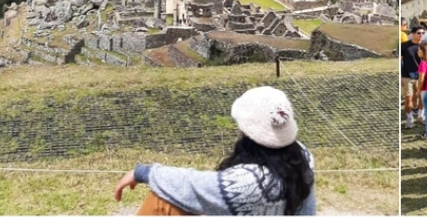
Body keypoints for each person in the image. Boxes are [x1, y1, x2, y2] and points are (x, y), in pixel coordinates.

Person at [114, 86, 315, 215]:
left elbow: (192, 185)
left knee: (161, 201)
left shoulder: (248, 182)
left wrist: (142, 172)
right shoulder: (302, 156)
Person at [400, 26, 424, 128]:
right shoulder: (404, 46)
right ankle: (410, 119)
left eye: (423, 33)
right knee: (408, 98)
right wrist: (400, 76)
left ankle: (420, 116)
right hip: (407, 76)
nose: (421, 35)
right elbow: (399, 61)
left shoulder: (425, 46)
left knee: (422, 98)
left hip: (422, 76)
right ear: (413, 34)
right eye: (419, 33)